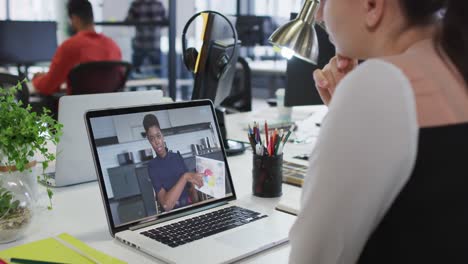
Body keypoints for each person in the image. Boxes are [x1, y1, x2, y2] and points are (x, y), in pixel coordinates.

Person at [289, 0, 468, 263]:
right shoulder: (454, 66)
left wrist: (352, 106)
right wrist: (346, 113)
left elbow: (313, 255)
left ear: (372, 6)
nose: (318, 14)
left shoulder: (380, 84)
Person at [32, 0, 122, 95]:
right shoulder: (113, 45)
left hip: (77, 108)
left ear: (74, 18)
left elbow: (48, 86)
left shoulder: (70, 46)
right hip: (106, 107)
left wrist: (37, 78)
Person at [143, 114, 204, 212]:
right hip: (173, 216)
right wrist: (185, 177)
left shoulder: (177, 157)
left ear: (163, 136)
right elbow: (166, 206)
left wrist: (195, 185)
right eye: (152, 138)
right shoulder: (152, 167)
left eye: (158, 136)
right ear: (149, 141)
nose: (157, 142)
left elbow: (192, 192)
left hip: (190, 210)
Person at [125, 0, 166, 75]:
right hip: (154, 44)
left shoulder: (136, 4)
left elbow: (128, 22)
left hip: (140, 44)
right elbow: (165, 22)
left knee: (135, 73)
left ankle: (135, 85)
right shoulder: (158, 4)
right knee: (158, 73)